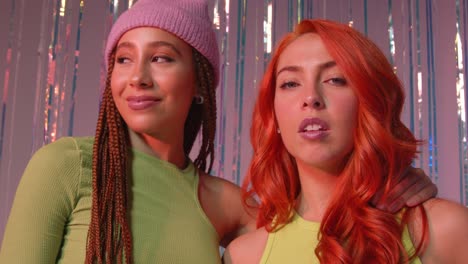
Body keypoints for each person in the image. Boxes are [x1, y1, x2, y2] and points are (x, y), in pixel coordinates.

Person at [0, 1, 437, 263]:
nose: (137, 78)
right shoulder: (66, 166)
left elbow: (312, 228)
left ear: (201, 84)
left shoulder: (228, 205)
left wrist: (397, 178)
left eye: (163, 58)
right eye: (123, 59)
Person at [223, 19, 468, 263]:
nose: (310, 98)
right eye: (290, 83)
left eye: (335, 79)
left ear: (370, 104)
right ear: (274, 116)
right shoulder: (243, 256)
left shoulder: (444, 231)